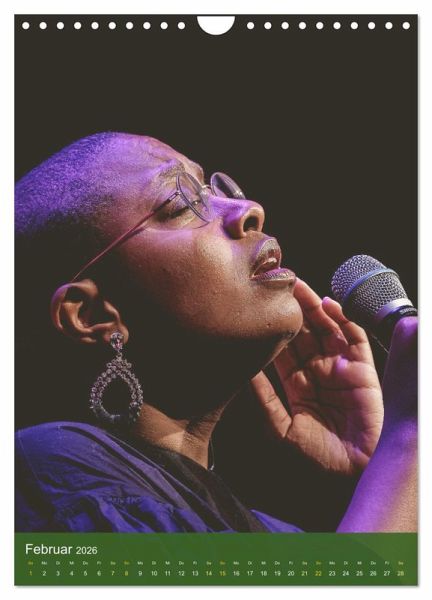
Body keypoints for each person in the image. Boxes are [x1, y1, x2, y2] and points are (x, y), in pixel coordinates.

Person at [15, 132, 417, 533]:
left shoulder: (266, 528)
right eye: (180, 204)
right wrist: (409, 438)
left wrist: (360, 485)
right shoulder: (46, 473)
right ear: (90, 315)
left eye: (212, 190)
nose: (249, 209)